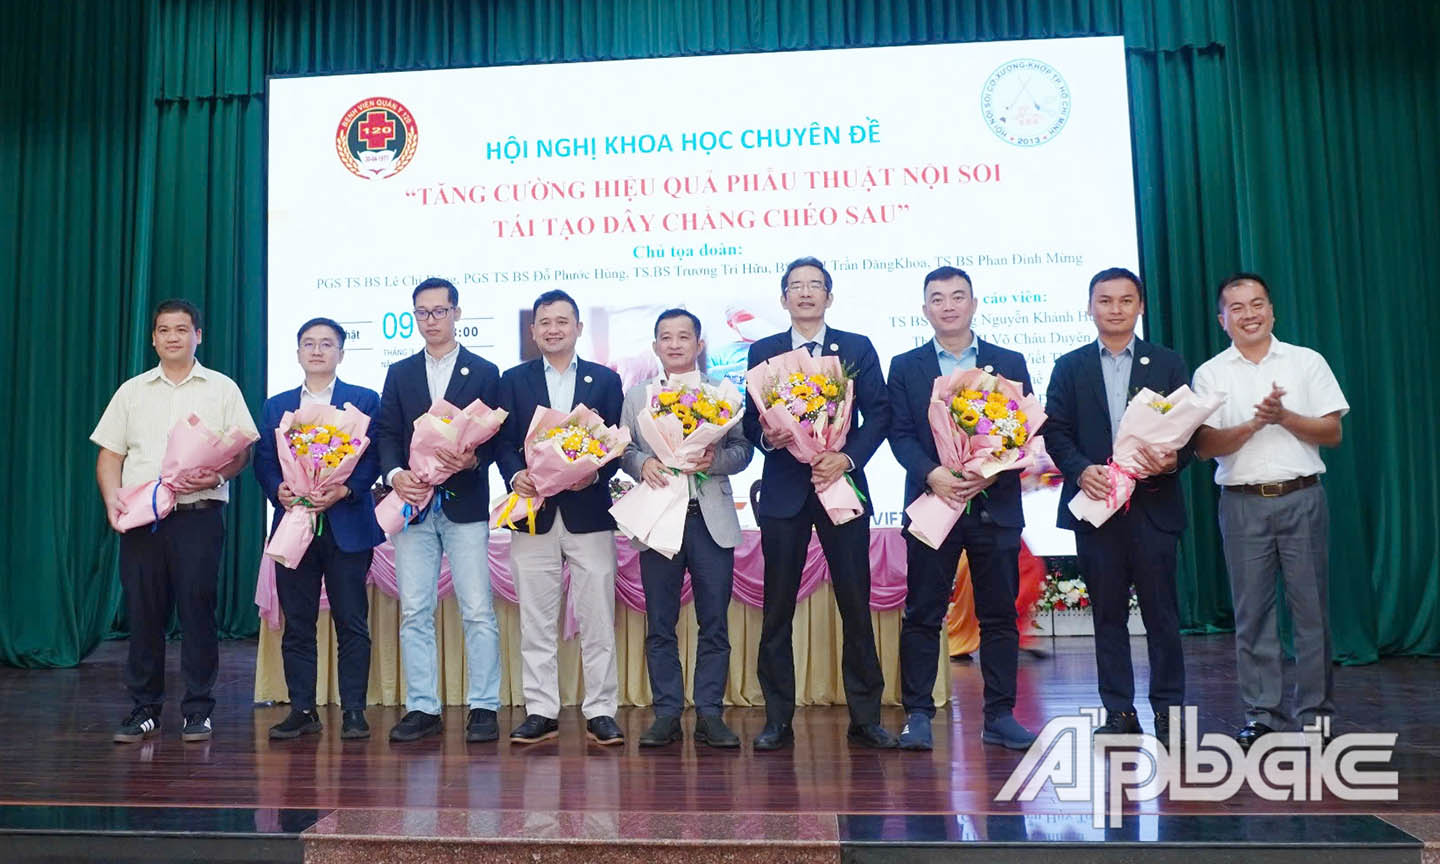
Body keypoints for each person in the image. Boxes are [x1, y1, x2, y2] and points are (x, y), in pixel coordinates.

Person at [743, 257, 895, 751]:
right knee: (777, 608)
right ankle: (777, 719)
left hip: (841, 485)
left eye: (815, 285)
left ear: (830, 296)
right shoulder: (764, 351)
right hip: (785, 493)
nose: (805, 293)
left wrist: (845, 458)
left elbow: (880, 414)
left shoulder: (856, 347)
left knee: (855, 602)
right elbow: (750, 421)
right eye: (796, 286)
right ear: (783, 298)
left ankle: (866, 718)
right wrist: (767, 437)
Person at [1192, 273, 1347, 750]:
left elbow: (1332, 433)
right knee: (1252, 615)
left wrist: (1285, 418)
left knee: (1311, 613)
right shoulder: (1210, 374)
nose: (1249, 314)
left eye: (1257, 304)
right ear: (1222, 320)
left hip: (1302, 498)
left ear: (1272, 311)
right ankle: (1263, 717)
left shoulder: (1306, 362)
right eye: (1236, 308)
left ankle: (1316, 717)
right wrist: (1254, 424)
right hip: (1242, 504)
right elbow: (1204, 446)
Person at [92, 299, 258, 743]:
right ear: (153, 338)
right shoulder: (132, 391)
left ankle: (198, 709)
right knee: (143, 611)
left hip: (198, 515)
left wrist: (218, 474)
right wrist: (111, 501)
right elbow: (110, 453)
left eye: (181, 329)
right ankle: (144, 708)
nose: (172, 337)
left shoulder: (222, 388)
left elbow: (242, 450)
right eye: (164, 330)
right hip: (142, 519)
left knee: (198, 611)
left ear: (197, 336)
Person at [887, 266, 1038, 751]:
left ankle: (1000, 715)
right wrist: (933, 473)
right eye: (938, 298)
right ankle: (917, 715)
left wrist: (990, 469)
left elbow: (1022, 431)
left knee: (998, 615)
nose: (948, 306)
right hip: (934, 502)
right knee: (923, 612)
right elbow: (900, 434)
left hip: (995, 504)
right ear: (925, 309)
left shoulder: (1008, 361)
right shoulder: (906, 366)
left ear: (973, 304)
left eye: (957, 296)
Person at [1044, 267, 1192, 740]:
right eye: (1105, 301)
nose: (1115, 309)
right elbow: (1055, 430)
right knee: (1107, 615)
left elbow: (1188, 431)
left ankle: (1169, 712)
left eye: (1126, 300)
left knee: (1162, 615)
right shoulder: (1070, 366)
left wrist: (1171, 461)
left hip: (1153, 507)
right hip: (1096, 507)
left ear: (1140, 306)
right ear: (1090, 307)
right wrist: (1078, 469)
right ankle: (1119, 712)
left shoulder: (1166, 363)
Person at [375, 277, 503, 743]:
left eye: (439, 311)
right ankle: (422, 707)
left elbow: (498, 438)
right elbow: (387, 432)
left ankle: (484, 706)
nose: (431, 320)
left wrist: (473, 460)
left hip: (464, 504)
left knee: (477, 609)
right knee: (414, 610)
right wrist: (395, 475)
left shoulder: (484, 370)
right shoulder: (400, 372)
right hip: (413, 506)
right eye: (422, 312)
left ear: (456, 313)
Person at [497, 289, 626, 746]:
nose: (553, 329)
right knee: (536, 619)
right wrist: (515, 475)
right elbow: (502, 441)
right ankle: (541, 710)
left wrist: (593, 474)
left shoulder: (604, 381)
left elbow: (616, 443)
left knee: (597, 617)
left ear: (578, 328)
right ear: (533, 331)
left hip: (589, 513)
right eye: (545, 322)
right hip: (532, 513)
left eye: (562, 321)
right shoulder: (513, 380)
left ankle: (601, 710)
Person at [621, 309, 753, 748]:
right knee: (661, 623)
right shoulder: (637, 396)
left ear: (699, 344)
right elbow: (623, 449)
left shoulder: (722, 393)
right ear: (655, 346)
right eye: (666, 337)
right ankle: (667, 714)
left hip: (709, 521)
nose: (675, 344)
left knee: (714, 623)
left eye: (683, 337)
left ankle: (710, 714)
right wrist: (643, 463)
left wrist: (714, 460)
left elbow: (743, 450)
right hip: (660, 519)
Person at [254, 317, 385, 740]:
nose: (317, 350)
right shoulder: (277, 406)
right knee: (298, 623)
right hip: (294, 526)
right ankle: (303, 710)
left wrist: (345, 489)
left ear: (341, 353)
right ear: (297, 353)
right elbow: (264, 459)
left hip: (347, 526)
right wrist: (278, 489)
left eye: (326, 344)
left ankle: (353, 711)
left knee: (352, 622)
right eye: (308, 343)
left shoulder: (363, 400)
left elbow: (373, 457)